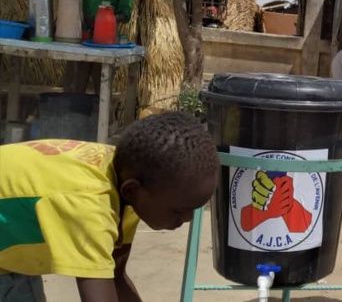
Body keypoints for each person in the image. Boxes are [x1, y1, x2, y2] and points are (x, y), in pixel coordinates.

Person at [0, 112, 219, 302]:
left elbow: (115, 276)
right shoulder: (89, 204)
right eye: (178, 210)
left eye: (195, 209)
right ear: (132, 190)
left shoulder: (128, 181)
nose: (188, 218)